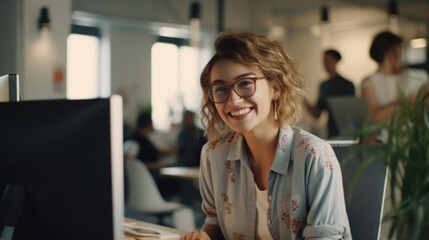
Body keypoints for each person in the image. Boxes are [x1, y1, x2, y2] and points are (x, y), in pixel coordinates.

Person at [181, 31, 351, 240]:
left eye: (245, 83)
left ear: (275, 88)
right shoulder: (213, 154)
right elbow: (214, 221)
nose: (233, 101)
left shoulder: (313, 156)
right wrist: (205, 236)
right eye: (220, 89)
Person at [361, 31, 429, 126]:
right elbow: (373, 118)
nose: (401, 55)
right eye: (399, 50)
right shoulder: (370, 82)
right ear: (388, 52)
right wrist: (401, 102)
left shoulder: (415, 76)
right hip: (386, 137)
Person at [305, 49, 356, 139]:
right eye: (324, 61)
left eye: (328, 61)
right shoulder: (324, 85)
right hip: (332, 132)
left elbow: (352, 112)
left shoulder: (348, 85)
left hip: (348, 132)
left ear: (336, 61)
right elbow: (318, 114)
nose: (325, 64)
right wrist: (304, 100)